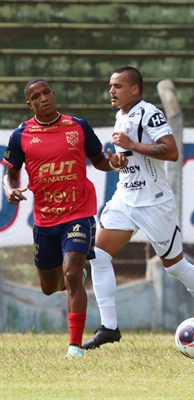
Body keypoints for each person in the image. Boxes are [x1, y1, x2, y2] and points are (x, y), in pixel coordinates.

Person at [82, 66, 194, 350]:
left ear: (135, 89)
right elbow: (126, 160)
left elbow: (171, 151)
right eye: (111, 86)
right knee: (97, 255)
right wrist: (116, 162)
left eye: (118, 86)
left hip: (154, 202)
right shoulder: (120, 115)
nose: (111, 91)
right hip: (125, 197)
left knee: (175, 266)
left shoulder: (150, 113)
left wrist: (133, 145)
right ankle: (109, 327)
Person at [2, 78, 128, 358]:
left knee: (72, 275)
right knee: (50, 287)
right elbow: (10, 174)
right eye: (36, 96)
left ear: (54, 94)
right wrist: (9, 189)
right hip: (45, 220)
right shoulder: (20, 135)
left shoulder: (78, 126)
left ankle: (74, 346)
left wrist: (114, 163)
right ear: (29, 104)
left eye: (47, 92)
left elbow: (99, 161)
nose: (43, 98)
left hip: (78, 213)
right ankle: (69, 277)